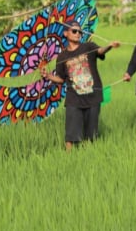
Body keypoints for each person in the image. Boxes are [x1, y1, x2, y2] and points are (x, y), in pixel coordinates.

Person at [41, 21, 121, 151]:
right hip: (74, 98)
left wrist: (110, 46)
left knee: (91, 135)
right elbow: (61, 78)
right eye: (74, 31)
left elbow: (100, 51)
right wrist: (49, 76)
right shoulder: (62, 56)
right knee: (70, 134)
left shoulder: (88, 47)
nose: (78, 34)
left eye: (80, 32)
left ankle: (88, 157)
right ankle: (68, 159)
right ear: (66, 33)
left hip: (93, 96)